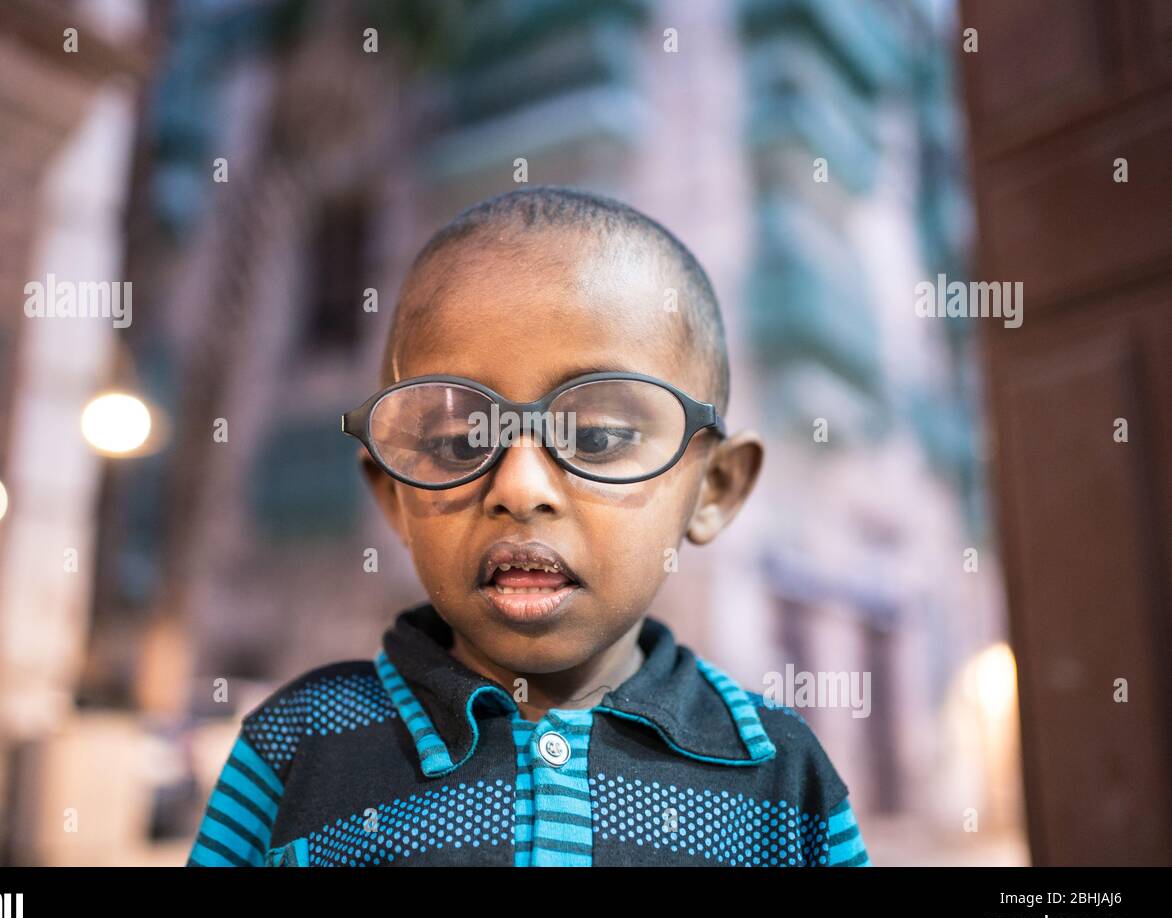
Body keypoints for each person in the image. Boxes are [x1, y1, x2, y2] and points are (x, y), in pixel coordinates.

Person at [187, 185, 870, 867]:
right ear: (393, 495)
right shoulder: (297, 744)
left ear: (714, 488)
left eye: (598, 438)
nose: (519, 488)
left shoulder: (780, 771)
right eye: (458, 443)